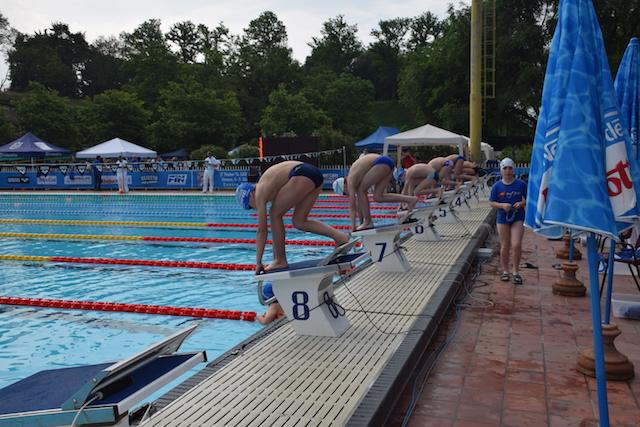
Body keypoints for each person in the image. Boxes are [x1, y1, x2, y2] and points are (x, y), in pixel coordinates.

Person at [235, 161, 350, 273]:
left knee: (274, 214)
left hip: (300, 173)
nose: (253, 209)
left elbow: (262, 230)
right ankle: (340, 237)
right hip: (313, 174)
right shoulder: (268, 186)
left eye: (250, 206)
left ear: (250, 195)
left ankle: (280, 260)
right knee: (299, 221)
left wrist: (258, 262)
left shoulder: (259, 193)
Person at [332, 153, 418, 231]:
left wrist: (353, 227)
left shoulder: (351, 180)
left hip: (380, 162)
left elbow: (352, 207)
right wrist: (361, 224)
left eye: (344, 193)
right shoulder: (356, 178)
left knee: (361, 190)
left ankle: (368, 222)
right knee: (378, 197)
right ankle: (410, 200)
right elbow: (359, 205)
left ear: (344, 186)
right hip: (386, 162)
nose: (347, 195)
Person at [489, 157, 527, 285]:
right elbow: (492, 202)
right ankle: (505, 270)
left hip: (518, 216)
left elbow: (529, 199)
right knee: (505, 245)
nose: (508, 171)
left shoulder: (521, 184)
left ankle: (515, 271)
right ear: (501, 170)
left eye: (510, 168)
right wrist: (502, 205)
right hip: (502, 218)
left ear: (514, 169)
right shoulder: (497, 186)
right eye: (505, 168)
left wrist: (521, 203)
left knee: (516, 244)